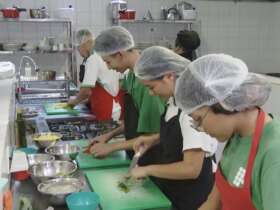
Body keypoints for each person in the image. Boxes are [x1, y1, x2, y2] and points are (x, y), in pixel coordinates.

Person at [175, 54, 279, 210]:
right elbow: (213, 202)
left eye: (199, 119)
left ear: (223, 102)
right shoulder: (237, 138)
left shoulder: (273, 156)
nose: (200, 128)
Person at [130, 46, 217, 210]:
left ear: (169, 76)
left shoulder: (191, 109)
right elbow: (179, 134)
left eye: (151, 87)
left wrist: (147, 170)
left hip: (194, 199)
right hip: (177, 192)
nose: (151, 94)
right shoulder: (174, 101)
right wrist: (154, 139)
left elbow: (191, 168)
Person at [88, 26, 165, 160]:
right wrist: (108, 136)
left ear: (120, 55)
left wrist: (112, 147)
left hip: (154, 155)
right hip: (137, 150)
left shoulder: (146, 82)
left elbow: (152, 135)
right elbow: (133, 123)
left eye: (108, 62)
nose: (108, 67)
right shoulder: (130, 77)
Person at [67, 29, 124, 121]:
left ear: (83, 44)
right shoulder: (105, 54)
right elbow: (116, 83)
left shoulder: (93, 59)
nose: (79, 52)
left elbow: (86, 90)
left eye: (77, 48)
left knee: (106, 133)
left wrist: (73, 102)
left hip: (107, 109)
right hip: (117, 107)